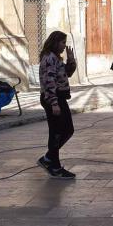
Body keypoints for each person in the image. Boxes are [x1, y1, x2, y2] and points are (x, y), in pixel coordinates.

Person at [37, 30, 78, 179]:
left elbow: (68, 73)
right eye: (62, 43)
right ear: (54, 42)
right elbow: (49, 82)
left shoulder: (56, 58)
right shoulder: (49, 59)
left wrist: (71, 60)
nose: (63, 46)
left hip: (60, 97)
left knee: (68, 129)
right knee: (56, 132)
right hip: (52, 99)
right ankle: (55, 166)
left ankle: (48, 158)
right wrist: (54, 103)